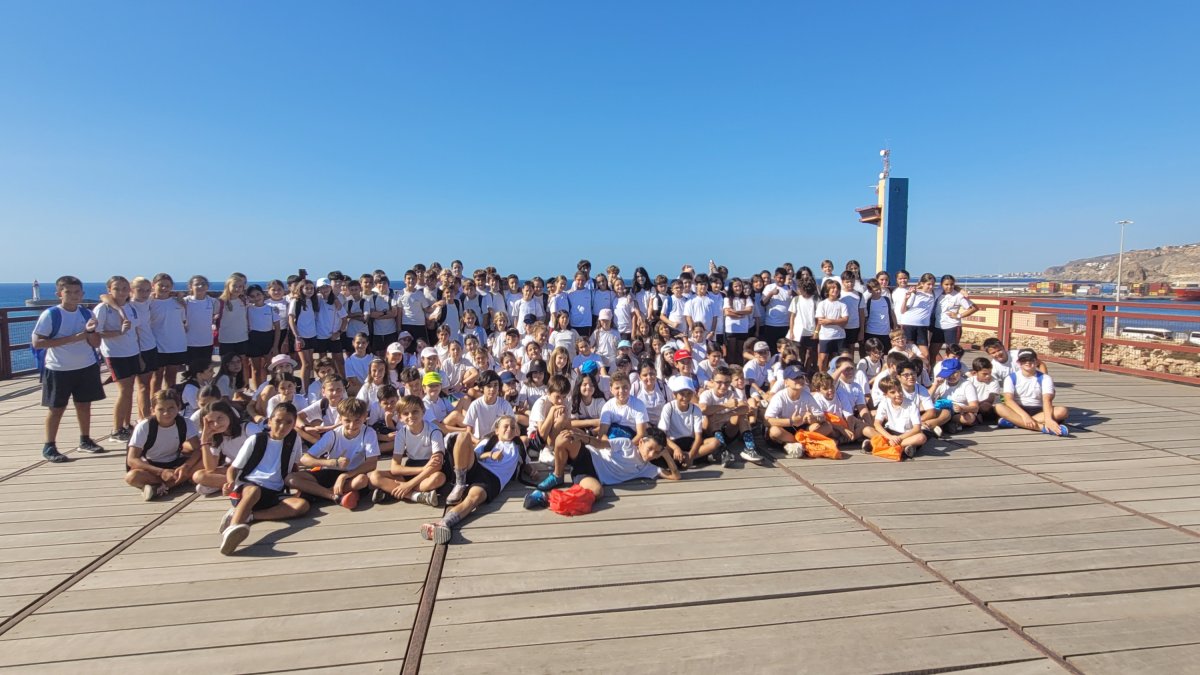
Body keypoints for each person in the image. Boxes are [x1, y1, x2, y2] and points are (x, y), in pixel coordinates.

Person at [218, 402, 310, 555]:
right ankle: (233, 528)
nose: (282, 427)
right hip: (249, 486)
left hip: (274, 491)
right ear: (269, 421)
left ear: (294, 424)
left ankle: (248, 515)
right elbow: (233, 468)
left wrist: (300, 487)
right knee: (254, 491)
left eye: (288, 422)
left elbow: (294, 466)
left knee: (302, 506)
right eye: (278, 421)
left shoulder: (294, 439)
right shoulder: (256, 440)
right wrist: (230, 483)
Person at [32, 276, 107, 462]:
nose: (73, 296)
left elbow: (96, 342)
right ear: (59, 294)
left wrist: (90, 333)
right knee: (56, 408)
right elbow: (38, 342)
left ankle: (85, 440)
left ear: (82, 293)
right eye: (68, 292)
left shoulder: (86, 314)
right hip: (58, 368)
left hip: (86, 366)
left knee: (84, 405)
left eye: (77, 292)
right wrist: (75, 337)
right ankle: (49, 445)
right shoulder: (51, 315)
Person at [421, 415, 525, 544]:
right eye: (506, 426)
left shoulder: (519, 446)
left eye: (513, 427)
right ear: (497, 430)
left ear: (516, 431)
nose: (509, 429)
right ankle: (460, 483)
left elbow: (525, 463)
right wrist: (491, 455)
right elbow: (476, 455)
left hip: (493, 478)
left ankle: (443, 523)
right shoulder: (489, 440)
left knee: (474, 498)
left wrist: (532, 472)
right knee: (465, 436)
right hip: (477, 467)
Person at [526, 426, 679, 509]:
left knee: (597, 493)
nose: (651, 454)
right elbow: (600, 444)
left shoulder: (648, 468)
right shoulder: (626, 444)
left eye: (656, 452)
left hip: (590, 475)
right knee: (563, 438)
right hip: (589, 456)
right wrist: (582, 438)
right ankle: (557, 475)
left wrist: (665, 454)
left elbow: (675, 476)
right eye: (650, 448)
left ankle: (545, 497)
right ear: (641, 442)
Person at [288, 398, 379, 509]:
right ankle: (332, 495)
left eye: (357, 420)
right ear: (340, 418)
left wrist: (344, 475)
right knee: (290, 478)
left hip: (353, 474)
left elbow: (372, 463)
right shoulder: (333, 434)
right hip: (330, 471)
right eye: (347, 421)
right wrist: (333, 462)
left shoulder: (369, 433)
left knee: (362, 480)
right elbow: (305, 459)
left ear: (365, 417)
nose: (352, 425)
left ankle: (315, 493)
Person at [369, 395, 446, 505]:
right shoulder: (402, 433)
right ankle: (415, 496)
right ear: (400, 417)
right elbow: (395, 468)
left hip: (430, 471)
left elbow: (437, 466)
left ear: (423, 412)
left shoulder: (434, 431)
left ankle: (393, 491)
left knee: (439, 478)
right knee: (374, 476)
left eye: (415, 412)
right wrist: (422, 469)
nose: (411, 416)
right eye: (406, 413)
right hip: (414, 468)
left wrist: (408, 484)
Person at [124, 390, 201, 499]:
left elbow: (198, 449)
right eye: (161, 409)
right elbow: (132, 459)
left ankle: (163, 486)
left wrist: (185, 466)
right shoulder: (144, 426)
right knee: (131, 477)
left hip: (176, 463)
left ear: (178, 407)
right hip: (152, 466)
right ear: (153, 411)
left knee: (207, 457)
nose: (166, 413)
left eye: (171, 408)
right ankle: (178, 482)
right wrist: (161, 472)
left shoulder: (185, 422)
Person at [95, 275, 140, 442]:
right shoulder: (103, 308)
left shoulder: (130, 307)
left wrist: (139, 353)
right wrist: (118, 332)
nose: (121, 292)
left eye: (124, 288)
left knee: (129, 390)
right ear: (109, 290)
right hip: (115, 354)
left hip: (132, 352)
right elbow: (96, 333)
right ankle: (116, 429)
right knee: (123, 391)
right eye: (116, 288)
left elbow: (134, 331)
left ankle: (126, 425)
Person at [996, 349, 1069, 435]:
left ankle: (1015, 422)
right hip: (1018, 409)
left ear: (1036, 361)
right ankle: (1044, 428)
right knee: (999, 407)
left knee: (1063, 411)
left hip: (1038, 410)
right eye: (1023, 360)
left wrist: (1049, 419)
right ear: (1019, 363)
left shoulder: (1045, 378)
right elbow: (1008, 400)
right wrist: (1025, 416)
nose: (1027, 362)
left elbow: (1047, 400)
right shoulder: (1011, 378)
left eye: (1030, 360)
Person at [192, 400, 258, 495]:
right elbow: (210, 468)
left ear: (229, 414)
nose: (216, 424)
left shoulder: (248, 428)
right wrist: (204, 441)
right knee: (198, 476)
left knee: (203, 486)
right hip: (235, 471)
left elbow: (265, 449)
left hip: (255, 469)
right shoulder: (218, 437)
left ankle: (240, 485)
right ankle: (235, 485)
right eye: (210, 422)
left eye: (219, 418)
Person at [699, 365, 761, 466]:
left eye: (727, 383)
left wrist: (725, 415)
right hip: (711, 433)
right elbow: (703, 410)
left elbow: (745, 408)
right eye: (719, 382)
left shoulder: (731, 393)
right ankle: (723, 451)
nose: (723, 386)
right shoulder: (707, 394)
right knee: (710, 416)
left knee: (742, 415)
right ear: (712, 381)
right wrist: (726, 405)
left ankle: (750, 449)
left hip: (727, 431)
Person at [657, 376, 719, 468]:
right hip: (673, 443)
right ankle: (681, 458)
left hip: (690, 443)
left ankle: (686, 458)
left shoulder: (696, 410)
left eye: (689, 393)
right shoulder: (668, 408)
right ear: (675, 394)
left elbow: (698, 437)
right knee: (659, 445)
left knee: (715, 442)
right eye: (682, 394)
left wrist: (691, 455)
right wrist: (676, 448)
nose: (685, 397)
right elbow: (662, 435)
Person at [764, 365, 825, 458]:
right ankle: (801, 443)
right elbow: (767, 420)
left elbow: (821, 416)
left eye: (801, 377)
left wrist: (814, 418)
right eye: (795, 378)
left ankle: (797, 444)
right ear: (786, 382)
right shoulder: (779, 397)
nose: (800, 380)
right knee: (774, 431)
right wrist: (791, 422)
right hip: (784, 429)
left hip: (801, 429)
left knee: (826, 426)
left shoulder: (806, 395)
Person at [871, 376, 928, 458]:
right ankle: (904, 447)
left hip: (906, 434)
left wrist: (898, 438)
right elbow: (877, 424)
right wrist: (890, 437)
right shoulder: (884, 402)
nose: (898, 394)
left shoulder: (911, 404)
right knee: (869, 430)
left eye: (900, 390)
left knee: (921, 438)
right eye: (893, 392)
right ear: (885, 395)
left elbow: (917, 428)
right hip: (890, 433)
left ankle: (887, 445)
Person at [930, 275, 977, 365]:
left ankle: (953, 372)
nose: (949, 287)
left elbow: (974, 308)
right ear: (941, 285)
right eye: (946, 284)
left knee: (953, 352)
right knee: (932, 352)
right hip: (938, 327)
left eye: (951, 284)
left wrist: (959, 315)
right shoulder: (938, 293)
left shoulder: (958, 296)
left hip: (952, 327)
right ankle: (931, 374)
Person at [930, 358, 980, 432]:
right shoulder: (941, 382)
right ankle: (934, 426)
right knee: (942, 413)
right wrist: (935, 385)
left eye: (954, 373)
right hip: (943, 409)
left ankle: (941, 425)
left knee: (969, 418)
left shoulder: (967, 385)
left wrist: (963, 409)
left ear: (960, 372)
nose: (951, 376)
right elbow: (926, 399)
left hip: (959, 412)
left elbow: (975, 407)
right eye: (948, 374)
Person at [814, 279, 849, 374]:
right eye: (832, 288)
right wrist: (816, 333)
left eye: (837, 288)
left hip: (839, 336)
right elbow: (821, 321)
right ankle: (822, 376)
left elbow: (845, 320)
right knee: (823, 358)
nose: (835, 290)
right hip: (825, 336)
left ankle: (835, 376)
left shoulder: (842, 304)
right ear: (827, 290)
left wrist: (830, 321)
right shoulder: (822, 304)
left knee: (839, 359)